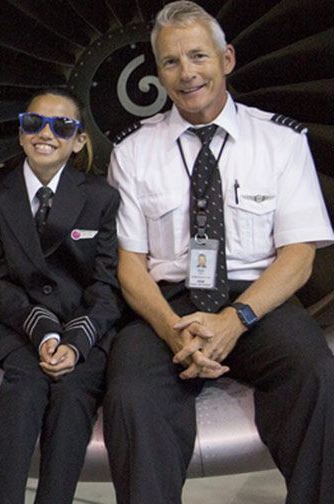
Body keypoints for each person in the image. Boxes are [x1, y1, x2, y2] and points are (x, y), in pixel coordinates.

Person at [104, 2, 334, 503]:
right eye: (170, 62)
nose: (187, 74)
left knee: (317, 374)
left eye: (197, 56)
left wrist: (235, 319)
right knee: (129, 395)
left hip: (256, 302)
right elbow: (130, 266)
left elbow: (298, 257)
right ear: (158, 73)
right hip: (167, 305)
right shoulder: (132, 153)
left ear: (225, 58)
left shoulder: (281, 143)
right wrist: (172, 330)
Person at [0, 88, 121, 504]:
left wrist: (75, 342)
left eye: (63, 126)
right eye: (34, 123)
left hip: (84, 331)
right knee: (22, 392)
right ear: (21, 134)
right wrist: (42, 332)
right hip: (24, 327)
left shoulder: (101, 199)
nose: (46, 134)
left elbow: (108, 286)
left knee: (74, 397)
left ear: (79, 141)